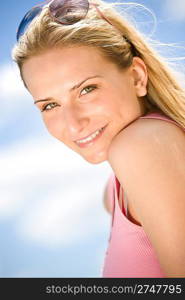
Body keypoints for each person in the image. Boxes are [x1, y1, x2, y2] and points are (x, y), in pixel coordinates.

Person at [12, 0, 185, 278]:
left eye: (86, 89)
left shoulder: (142, 146)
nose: (73, 123)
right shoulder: (119, 186)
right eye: (49, 105)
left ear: (137, 77)